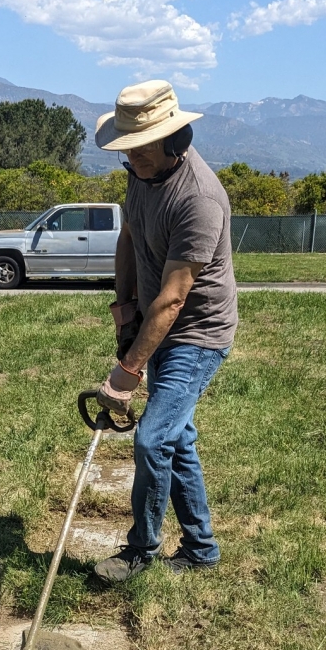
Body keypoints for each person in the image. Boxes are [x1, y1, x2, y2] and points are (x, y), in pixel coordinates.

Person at [92, 79, 238, 584]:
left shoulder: (198, 199)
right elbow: (129, 237)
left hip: (197, 332)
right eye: (127, 151)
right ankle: (201, 549)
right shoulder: (141, 175)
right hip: (157, 321)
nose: (133, 160)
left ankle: (141, 550)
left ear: (176, 140)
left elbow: (176, 298)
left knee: (153, 441)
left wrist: (127, 371)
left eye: (142, 148)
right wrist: (125, 309)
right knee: (178, 440)